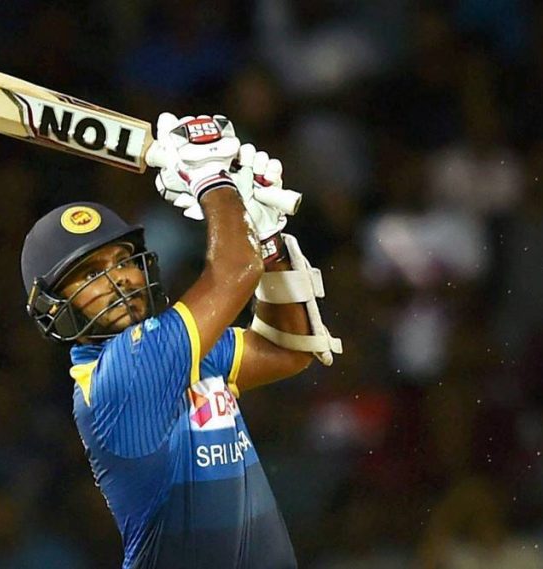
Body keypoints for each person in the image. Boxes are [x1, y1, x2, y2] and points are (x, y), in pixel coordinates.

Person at [20, 113, 342, 568]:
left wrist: (265, 240)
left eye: (123, 261)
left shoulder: (180, 351)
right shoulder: (122, 374)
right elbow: (235, 270)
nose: (119, 279)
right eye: (90, 273)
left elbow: (287, 350)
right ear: (54, 305)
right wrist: (211, 179)